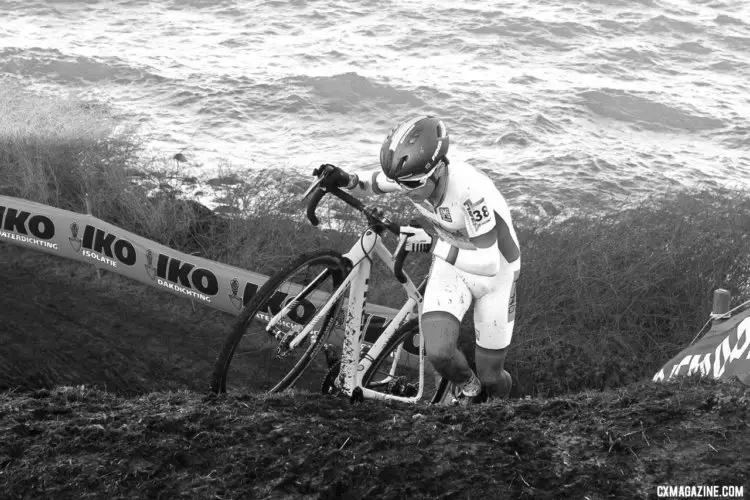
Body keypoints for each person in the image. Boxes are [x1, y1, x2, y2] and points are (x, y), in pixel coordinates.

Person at [315, 116, 521, 404]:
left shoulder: (471, 194)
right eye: (401, 183)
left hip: (494, 276)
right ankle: (470, 390)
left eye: (410, 184)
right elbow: (375, 182)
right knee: (439, 352)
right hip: (452, 264)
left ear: (438, 170)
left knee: (492, 376)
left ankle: (501, 405)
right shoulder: (413, 178)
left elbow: (489, 264)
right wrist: (347, 179)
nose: (404, 189)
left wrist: (435, 244)